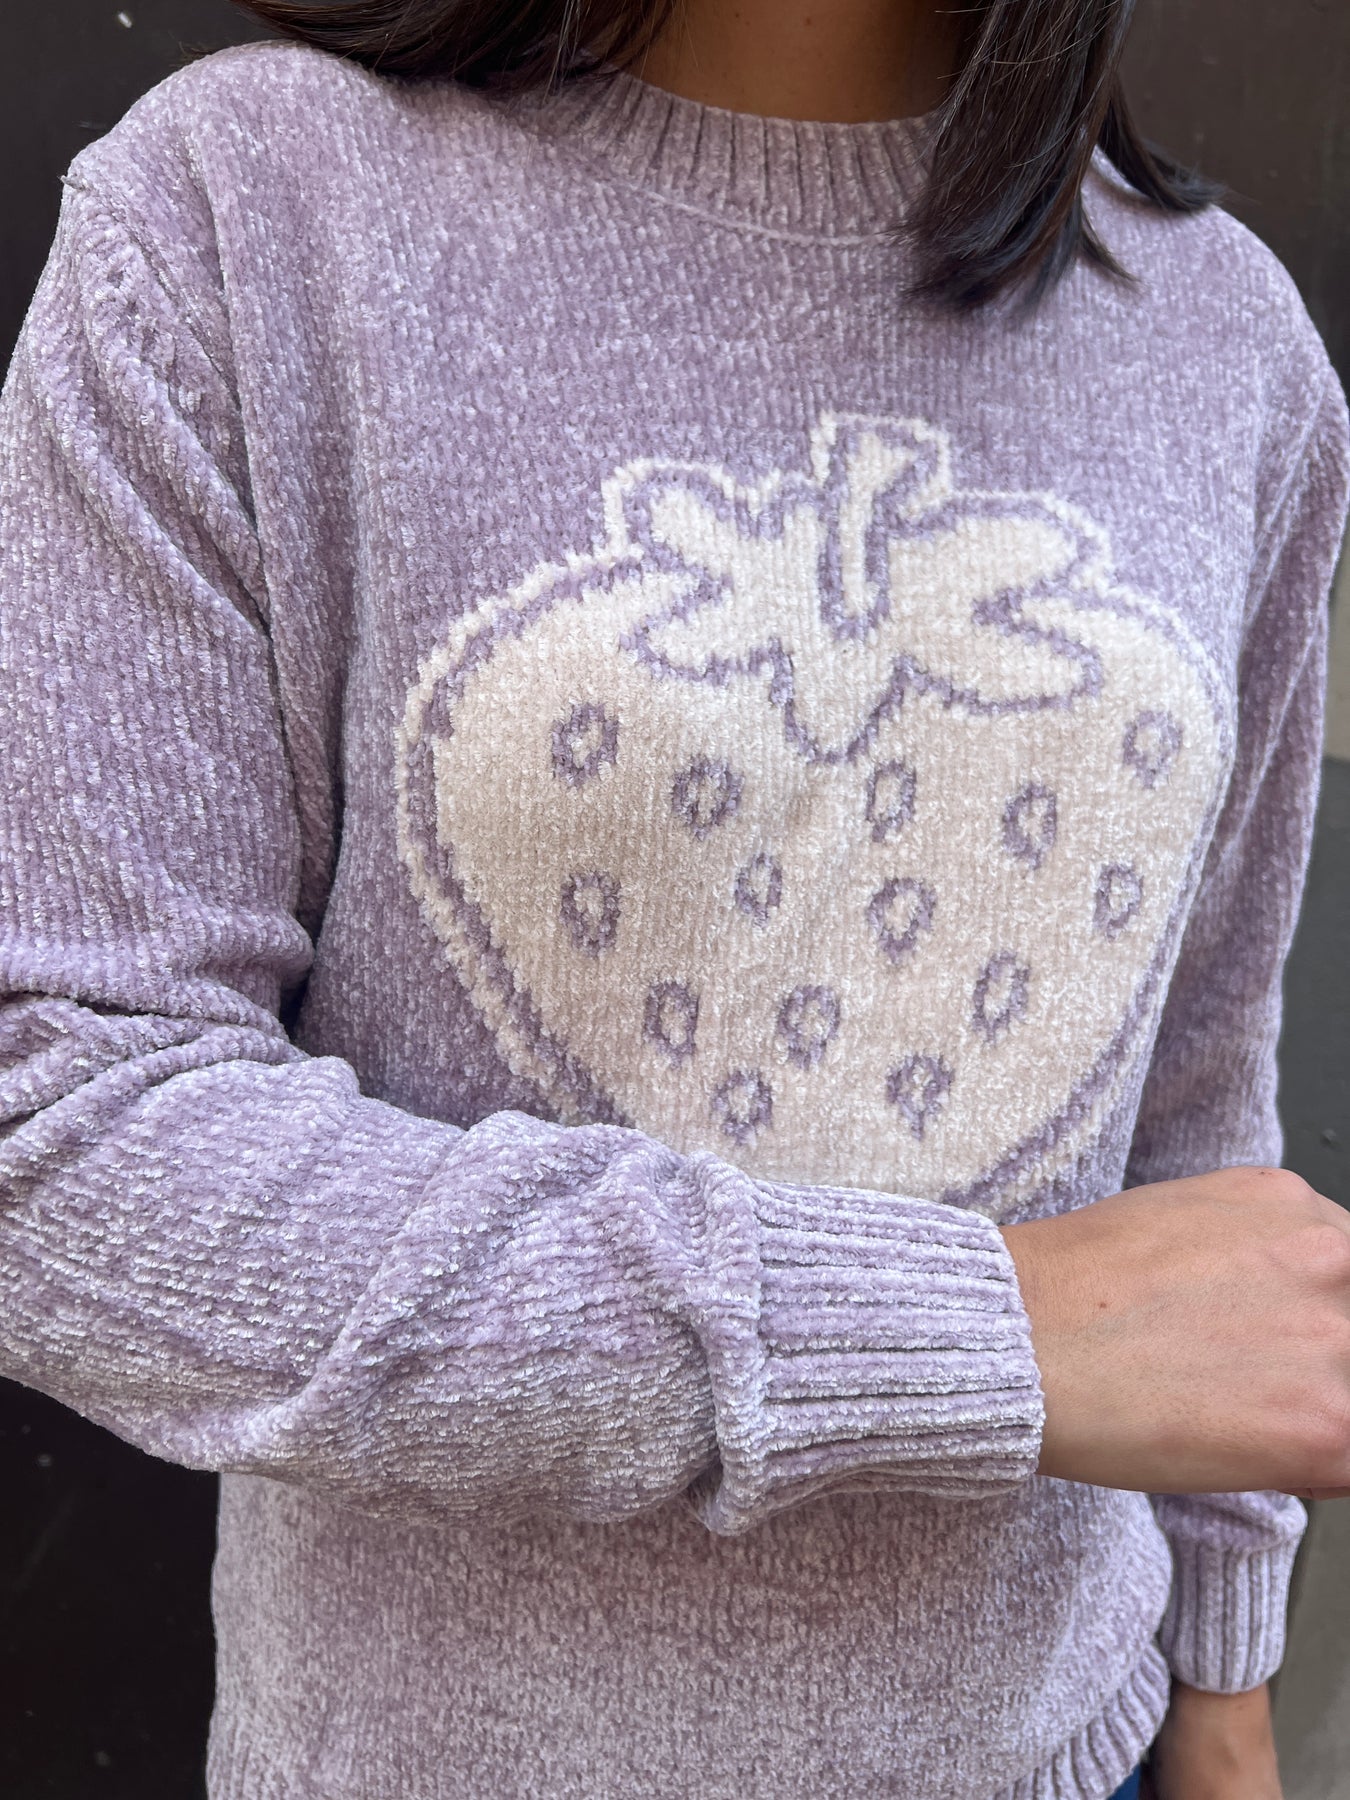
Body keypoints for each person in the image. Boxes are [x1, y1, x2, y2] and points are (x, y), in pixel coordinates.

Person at [0, 0, 1347, 1795]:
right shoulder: (242, 215)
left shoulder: (1227, 339)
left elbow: (1192, 1105)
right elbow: (65, 1134)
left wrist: (1225, 1682)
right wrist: (976, 1332)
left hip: (1063, 1743)